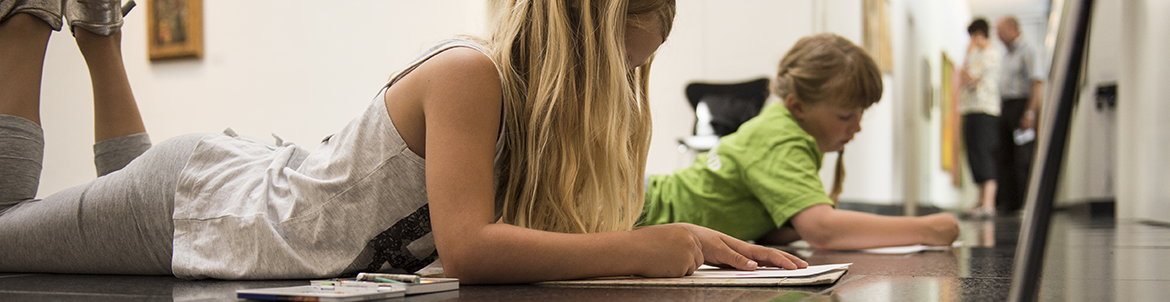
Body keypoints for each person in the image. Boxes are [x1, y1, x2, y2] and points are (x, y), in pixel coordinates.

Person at [0, 0, 809, 283]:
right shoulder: (470, 73)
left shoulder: (528, 122)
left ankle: (100, 32)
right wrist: (645, 247)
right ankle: (31, 18)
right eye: (623, 65)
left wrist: (679, 241)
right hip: (200, 206)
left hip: (226, 190)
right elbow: (469, 247)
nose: (625, 87)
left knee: (106, 194)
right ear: (585, 43)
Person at [639, 34, 959, 250]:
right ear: (797, 106)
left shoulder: (779, 125)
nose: (858, 127)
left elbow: (762, 220)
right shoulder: (779, 140)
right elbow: (823, 230)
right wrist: (926, 230)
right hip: (642, 209)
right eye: (845, 116)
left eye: (861, 114)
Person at [994, 16, 1041, 215]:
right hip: (1006, 107)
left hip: (1021, 106)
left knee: (1023, 157)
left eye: (1000, 31)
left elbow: (1037, 82)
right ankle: (1009, 204)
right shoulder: (1006, 55)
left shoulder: (1027, 49)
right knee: (1005, 156)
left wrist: (1030, 113)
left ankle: (1025, 203)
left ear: (1013, 29)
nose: (997, 35)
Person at [958, 18, 1002, 218]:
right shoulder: (976, 55)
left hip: (985, 110)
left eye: (972, 37)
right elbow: (963, 78)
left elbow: (970, 79)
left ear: (979, 35)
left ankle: (988, 203)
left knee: (984, 152)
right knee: (973, 154)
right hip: (970, 109)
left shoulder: (991, 54)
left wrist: (967, 55)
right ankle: (980, 201)